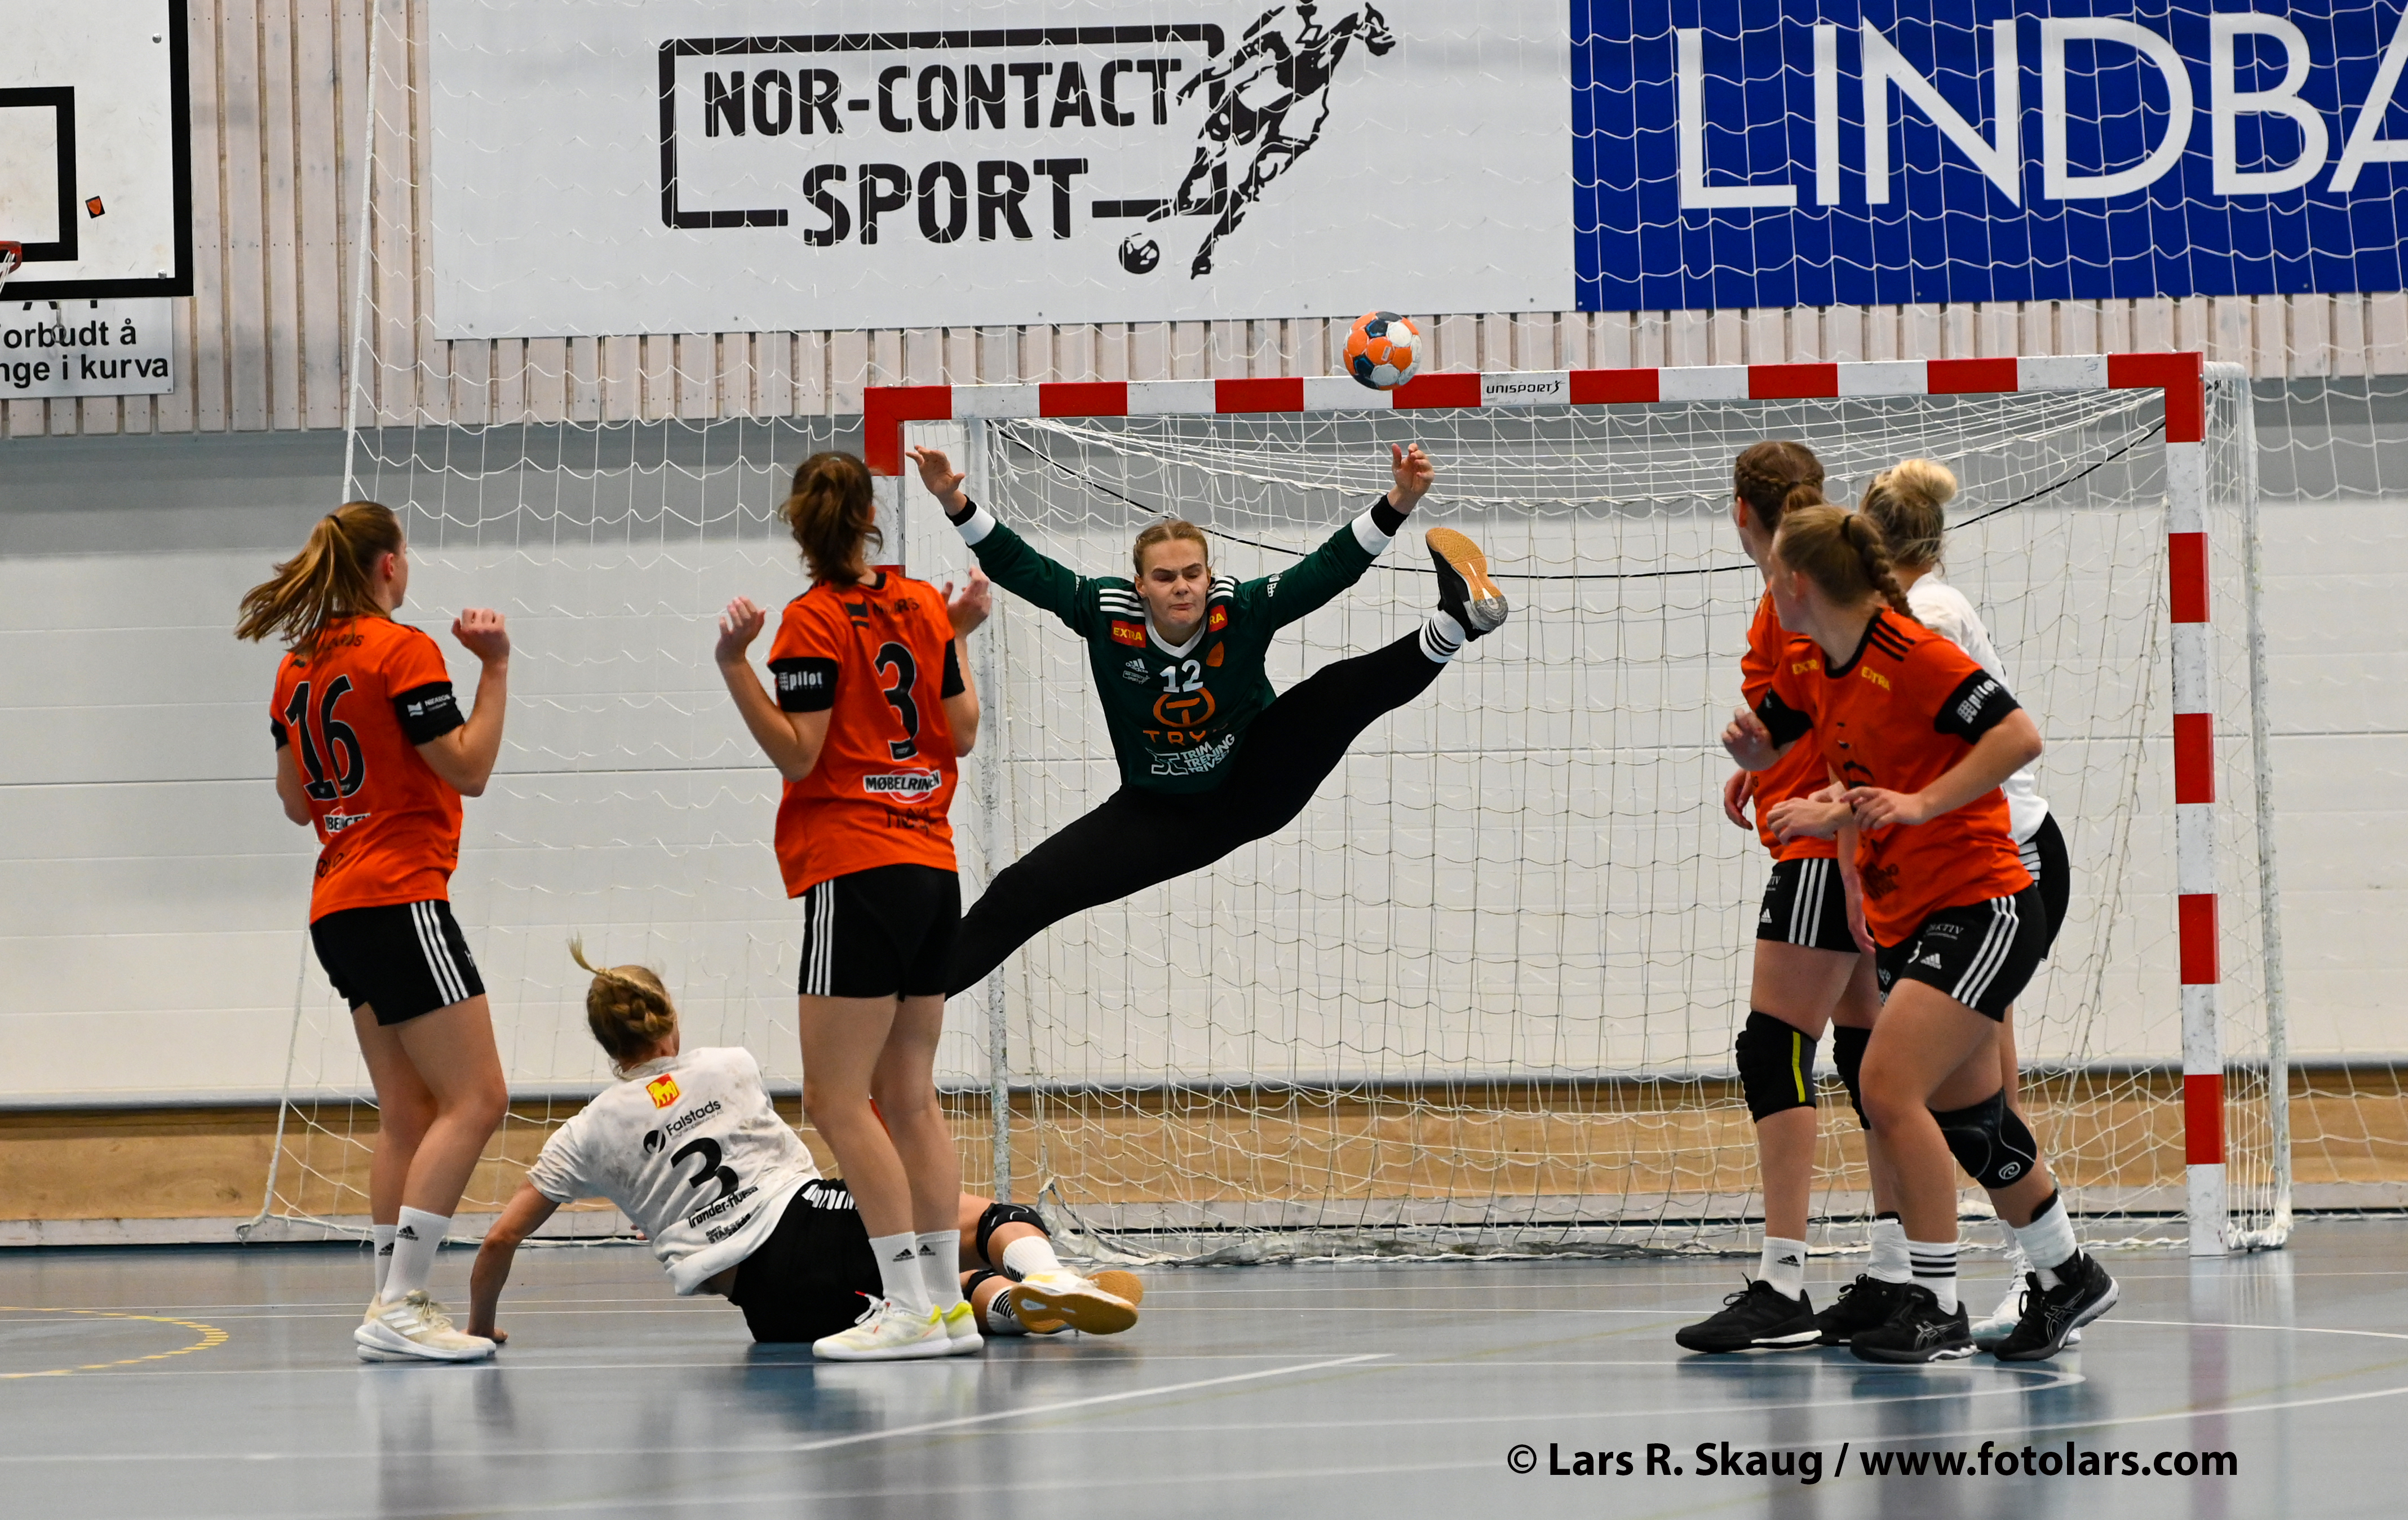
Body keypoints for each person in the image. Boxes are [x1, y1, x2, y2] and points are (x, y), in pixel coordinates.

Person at [1722, 506, 2116, 1364]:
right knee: (1971, 1121)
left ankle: (1933, 1302)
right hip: (1912, 909)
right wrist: (1759, 759)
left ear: (1798, 582)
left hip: (1983, 904)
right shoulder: (1816, 663)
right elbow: (1788, 744)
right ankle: (2068, 1274)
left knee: (1887, 1084)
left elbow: (2018, 735)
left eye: (1773, 571)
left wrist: (1921, 805)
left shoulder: (1912, 651)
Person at [910, 441, 1509, 997]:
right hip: (1161, 814)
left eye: (1192, 574)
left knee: (1336, 691)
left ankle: (1455, 622)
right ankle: (907, 1004)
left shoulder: (1240, 609)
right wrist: (952, 501)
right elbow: (1020, 565)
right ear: (1141, 586)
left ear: (1208, 576)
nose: (1182, 588)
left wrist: (1399, 500)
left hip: (1255, 780)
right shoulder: (1103, 611)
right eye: (1165, 577)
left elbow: (1329, 568)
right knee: (1022, 891)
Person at [467, 947, 1141, 1351]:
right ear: (668, 1013)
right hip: (806, 1221)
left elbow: (500, 1238)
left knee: (938, 1295)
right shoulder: (730, 1064)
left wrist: (480, 1325)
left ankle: (1009, 1307)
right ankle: (1048, 1274)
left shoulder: (584, 1132)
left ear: (605, 1041)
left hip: (768, 1309)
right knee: (988, 1221)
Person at [712, 451, 1001, 1360]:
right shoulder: (920, 606)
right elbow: (961, 730)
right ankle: (944, 1306)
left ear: (799, 527)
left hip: (857, 866)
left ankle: (907, 1302)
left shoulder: (810, 621)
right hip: (932, 867)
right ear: (872, 517)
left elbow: (799, 754)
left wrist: (734, 665)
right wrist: (954, 636)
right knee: (909, 1096)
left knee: (838, 1101)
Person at [236, 501, 513, 1363]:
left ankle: (394, 1298)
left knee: (407, 1112)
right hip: (400, 896)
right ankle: (402, 1301)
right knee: (479, 1098)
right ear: (389, 564)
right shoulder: (403, 650)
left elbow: (295, 803)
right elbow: (468, 768)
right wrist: (496, 668)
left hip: (338, 907)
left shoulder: (295, 668)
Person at [1676, 444, 1901, 1355]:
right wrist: (1765, 766)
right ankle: (1896, 1273)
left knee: (1775, 1049)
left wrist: (1807, 798)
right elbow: (1806, 713)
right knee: (1871, 1056)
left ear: (1740, 510)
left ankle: (1781, 1282)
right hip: (1849, 838)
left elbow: (1836, 711)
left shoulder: (1790, 595)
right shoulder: (1815, 589)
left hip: (1825, 847)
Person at [1858, 459, 2079, 1348]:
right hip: (1967, 858)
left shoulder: (1929, 615)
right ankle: (2053, 1273)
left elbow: (1998, 738)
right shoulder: (1906, 614)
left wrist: (1909, 807)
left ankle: (2022, 1277)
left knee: (1960, 1080)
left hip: (2007, 855)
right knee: (1967, 1087)